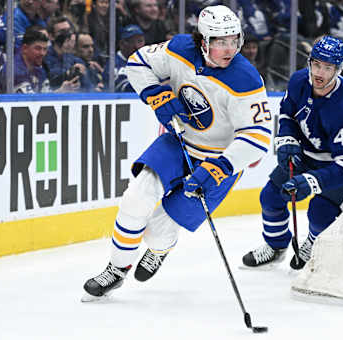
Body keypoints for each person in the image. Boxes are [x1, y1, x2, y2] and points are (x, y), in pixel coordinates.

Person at [82, 5, 271, 300]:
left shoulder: (246, 79)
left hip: (217, 162)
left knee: (158, 229)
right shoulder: (181, 47)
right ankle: (116, 270)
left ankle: (160, 248)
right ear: (203, 41)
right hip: (179, 140)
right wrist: (155, 94)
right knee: (137, 196)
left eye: (234, 40)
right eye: (221, 42)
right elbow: (138, 62)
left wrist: (222, 165)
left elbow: (257, 137)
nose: (229, 49)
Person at [241, 36, 343, 270]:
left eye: (328, 67)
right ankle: (275, 246)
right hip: (310, 151)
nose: (319, 73)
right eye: (316, 65)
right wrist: (287, 139)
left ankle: (314, 244)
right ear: (309, 63)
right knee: (271, 197)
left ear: (338, 70)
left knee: (320, 212)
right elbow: (286, 113)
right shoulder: (299, 82)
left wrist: (312, 181)